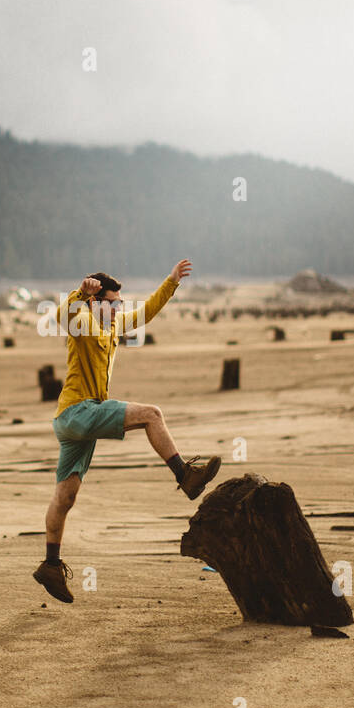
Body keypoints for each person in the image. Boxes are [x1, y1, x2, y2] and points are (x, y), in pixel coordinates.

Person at [32, 258, 221, 603]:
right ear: (97, 302)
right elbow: (60, 317)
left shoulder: (111, 326)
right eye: (114, 303)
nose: (120, 309)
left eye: (120, 303)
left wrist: (171, 281)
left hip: (75, 426)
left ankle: (50, 564)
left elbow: (147, 312)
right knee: (152, 414)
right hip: (78, 412)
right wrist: (80, 293)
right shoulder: (84, 322)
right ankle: (186, 476)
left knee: (65, 497)